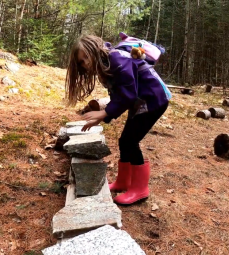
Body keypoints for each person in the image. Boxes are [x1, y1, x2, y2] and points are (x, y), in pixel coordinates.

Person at [65, 34, 171, 205]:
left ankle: (140, 189)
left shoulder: (116, 58)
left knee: (130, 141)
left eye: (86, 56)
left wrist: (104, 113)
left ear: (95, 48)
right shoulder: (106, 65)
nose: (86, 62)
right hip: (141, 102)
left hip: (153, 100)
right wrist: (103, 117)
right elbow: (119, 94)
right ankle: (124, 181)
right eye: (82, 62)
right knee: (124, 141)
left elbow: (127, 94)